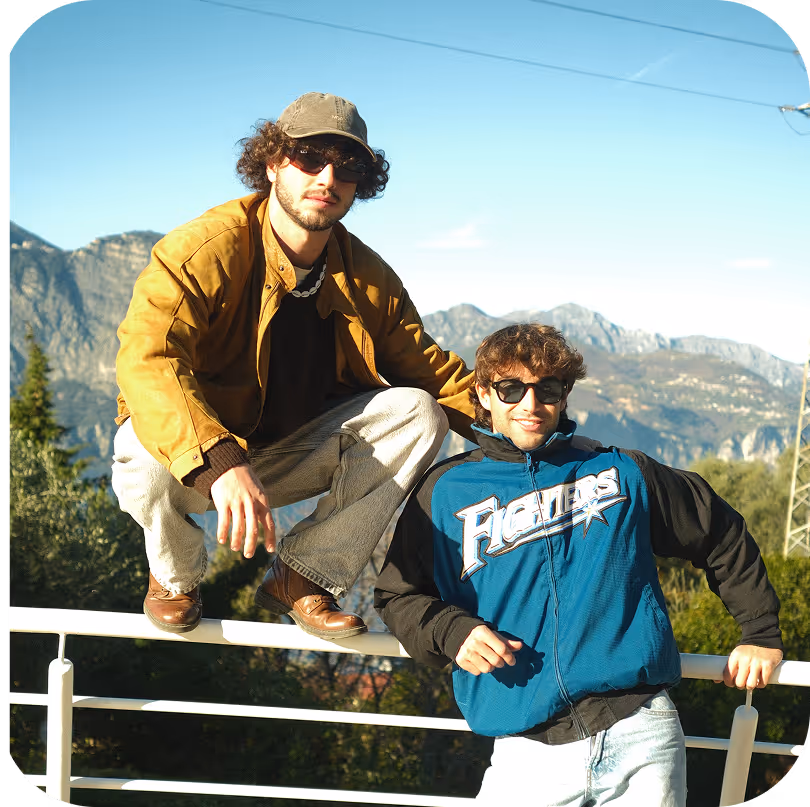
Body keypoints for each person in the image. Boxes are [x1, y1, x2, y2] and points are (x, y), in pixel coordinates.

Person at [112, 91, 478, 638]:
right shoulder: (201, 251)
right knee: (139, 452)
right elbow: (149, 359)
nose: (327, 177)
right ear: (272, 163)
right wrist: (218, 459)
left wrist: (526, 418)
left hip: (292, 455)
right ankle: (175, 574)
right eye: (309, 158)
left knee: (419, 412)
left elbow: (431, 372)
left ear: (362, 182)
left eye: (348, 166)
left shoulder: (368, 276)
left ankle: (304, 577)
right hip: (199, 465)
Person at [374, 323, 783, 806]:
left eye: (547, 389)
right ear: (483, 393)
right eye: (511, 389)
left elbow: (719, 531)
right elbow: (397, 594)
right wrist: (449, 629)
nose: (530, 404)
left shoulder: (621, 472)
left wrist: (758, 632)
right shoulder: (442, 493)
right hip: (525, 749)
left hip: (642, 737)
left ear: (564, 396)